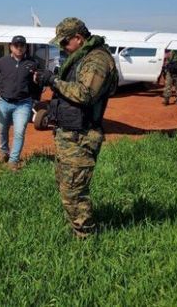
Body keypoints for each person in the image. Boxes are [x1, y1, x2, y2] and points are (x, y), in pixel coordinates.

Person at [35, 18, 118, 238]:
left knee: (73, 191)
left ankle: (86, 239)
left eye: (64, 43)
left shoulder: (97, 60)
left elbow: (85, 93)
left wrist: (52, 81)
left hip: (82, 135)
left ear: (79, 38)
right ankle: (77, 228)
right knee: (65, 185)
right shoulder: (81, 57)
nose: (62, 48)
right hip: (69, 133)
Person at [0, 35, 39, 171]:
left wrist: (36, 97)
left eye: (22, 46)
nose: (19, 48)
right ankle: (4, 152)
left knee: (19, 131)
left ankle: (13, 160)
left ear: (25, 47)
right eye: (16, 46)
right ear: (11, 47)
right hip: (4, 102)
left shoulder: (32, 63)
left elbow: (37, 85)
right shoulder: (2, 62)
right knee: (2, 130)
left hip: (23, 104)